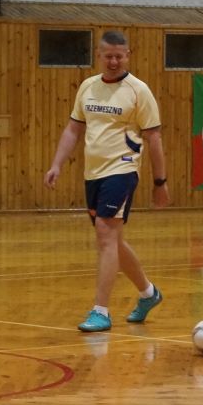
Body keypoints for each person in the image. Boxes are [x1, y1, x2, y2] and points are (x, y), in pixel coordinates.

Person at [44, 30, 170, 333]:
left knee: (104, 234)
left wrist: (160, 181)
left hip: (122, 170)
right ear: (99, 56)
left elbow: (154, 138)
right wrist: (57, 164)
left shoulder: (138, 91)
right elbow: (73, 129)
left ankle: (100, 311)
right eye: (108, 56)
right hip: (93, 174)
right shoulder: (88, 87)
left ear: (128, 56)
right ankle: (148, 293)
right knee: (113, 240)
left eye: (119, 56)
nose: (114, 61)